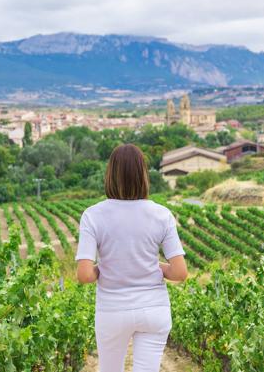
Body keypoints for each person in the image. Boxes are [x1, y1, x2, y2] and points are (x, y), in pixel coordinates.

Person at [75, 144, 188, 372]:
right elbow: (180, 272)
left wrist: (105, 267)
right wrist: (154, 265)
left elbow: (85, 275)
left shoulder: (93, 215)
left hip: (112, 310)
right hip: (154, 310)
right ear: (143, 175)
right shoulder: (162, 215)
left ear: (110, 175)